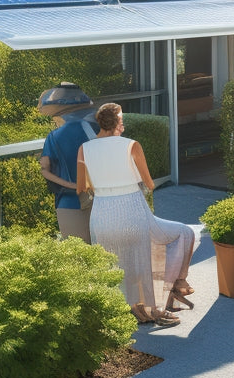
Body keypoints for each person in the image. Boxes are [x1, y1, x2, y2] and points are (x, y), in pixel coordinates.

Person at [76, 103, 196, 327]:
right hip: (131, 210)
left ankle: (123, 310)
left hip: (102, 216)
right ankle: (157, 306)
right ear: (118, 122)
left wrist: (103, 185)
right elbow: (149, 184)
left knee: (115, 263)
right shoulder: (131, 146)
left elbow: (81, 188)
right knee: (144, 259)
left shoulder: (84, 148)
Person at [38, 83, 99, 243]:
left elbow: (45, 169)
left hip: (70, 201)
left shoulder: (55, 137)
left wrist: (72, 185)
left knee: (77, 256)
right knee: (104, 254)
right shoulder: (101, 129)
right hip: (103, 199)